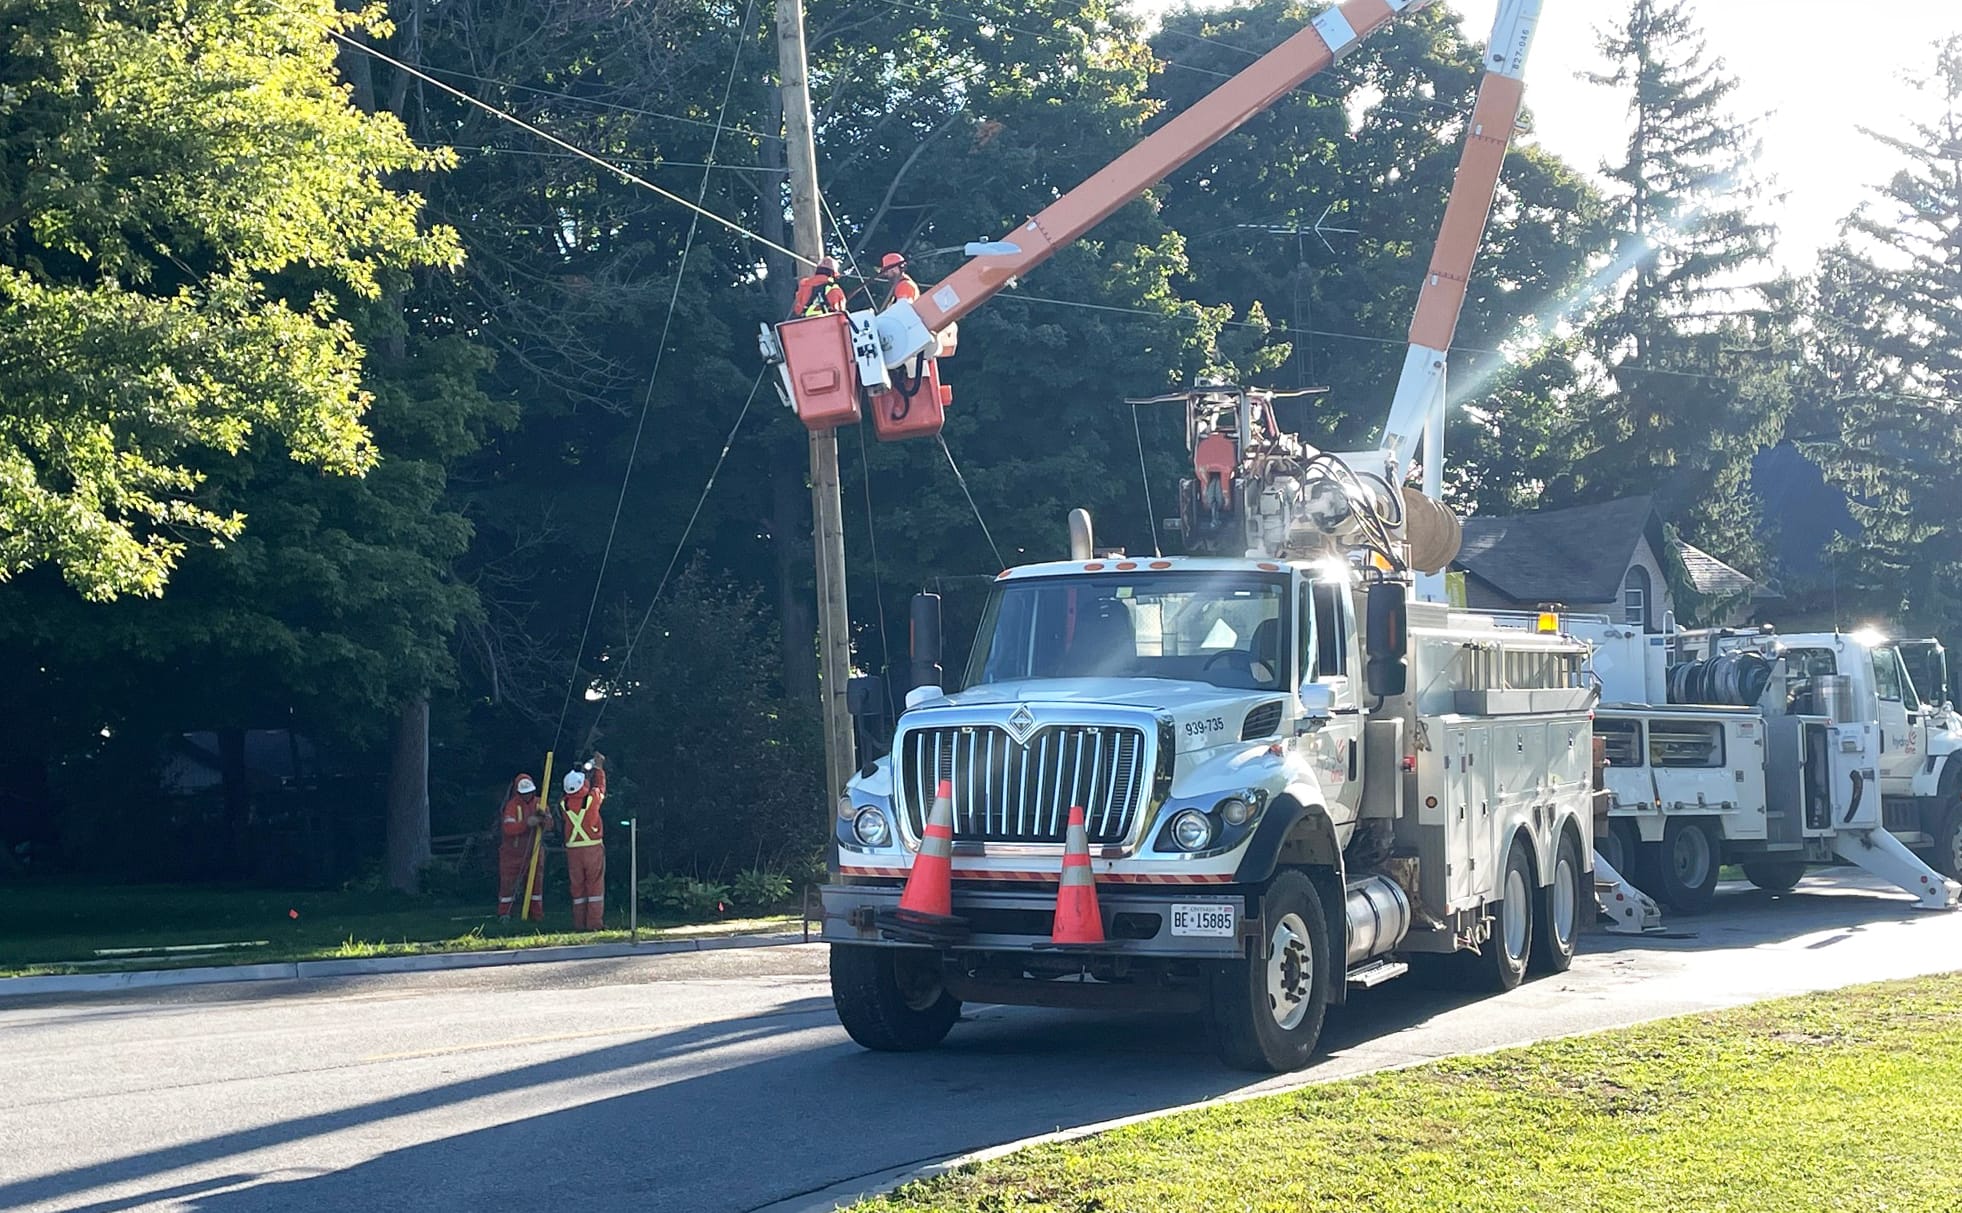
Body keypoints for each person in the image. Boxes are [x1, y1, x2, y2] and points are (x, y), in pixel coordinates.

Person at [560, 752, 608, 930]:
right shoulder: (591, 799)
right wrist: (598, 768)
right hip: (592, 848)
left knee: (577, 888)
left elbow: (573, 792)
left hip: (573, 850)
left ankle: (579, 924)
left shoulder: (563, 804)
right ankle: (595, 924)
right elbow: (600, 787)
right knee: (595, 887)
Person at [496, 773, 550, 922]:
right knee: (508, 886)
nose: (527, 796)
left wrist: (544, 819)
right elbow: (508, 828)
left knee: (535, 886)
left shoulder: (541, 803)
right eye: (524, 794)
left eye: (529, 793)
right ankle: (504, 914)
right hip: (512, 854)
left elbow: (551, 825)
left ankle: (536, 915)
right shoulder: (512, 806)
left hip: (535, 851)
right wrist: (527, 823)